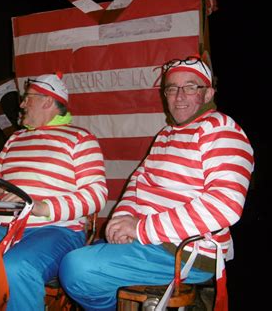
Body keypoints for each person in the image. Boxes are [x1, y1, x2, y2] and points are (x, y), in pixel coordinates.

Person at [58, 55, 254, 310]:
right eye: (172, 88)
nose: (179, 96)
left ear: (208, 94)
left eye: (191, 87)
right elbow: (138, 182)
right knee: (77, 255)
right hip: (153, 241)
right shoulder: (166, 135)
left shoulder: (222, 130)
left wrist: (139, 228)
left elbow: (224, 205)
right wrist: (123, 219)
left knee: (77, 268)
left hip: (186, 252)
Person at [0, 72, 108, 310]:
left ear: (48, 101)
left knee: (16, 268)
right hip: (1, 226)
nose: (22, 104)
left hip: (56, 230)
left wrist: (40, 205)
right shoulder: (15, 139)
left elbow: (95, 195)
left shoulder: (81, 138)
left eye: (28, 98)